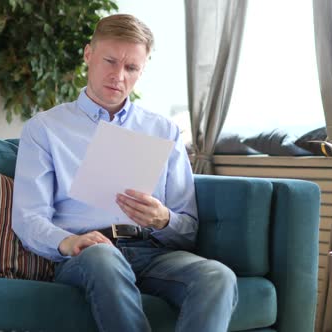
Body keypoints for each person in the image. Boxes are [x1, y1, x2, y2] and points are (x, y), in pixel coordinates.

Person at [12, 13, 237, 332]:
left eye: (131, 67)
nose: (118, 75)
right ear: (89, 54)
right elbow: (28, 218)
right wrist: (70, 242)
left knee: (218, 277)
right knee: (103, 257)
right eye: (110, 61)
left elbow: (187, 229)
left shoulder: (164, 130)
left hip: (152, 252)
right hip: (87, 256)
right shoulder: (45, 129)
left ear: (142, 70)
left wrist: (163, 219)